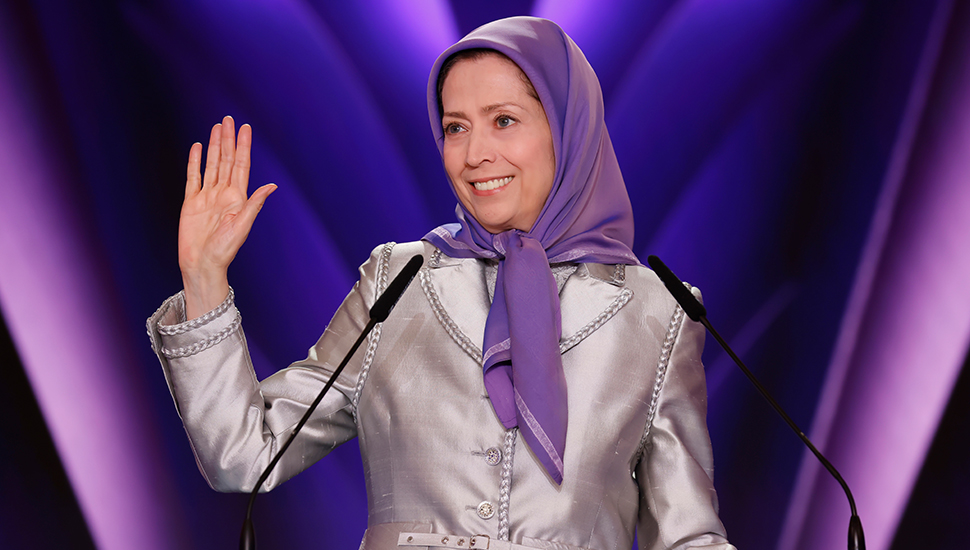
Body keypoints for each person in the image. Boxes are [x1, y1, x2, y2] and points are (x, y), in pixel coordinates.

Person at [147, 16, 735, 550]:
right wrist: (203, 276)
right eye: (456, 127)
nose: (475, 153)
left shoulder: (657, 313)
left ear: (567, 128)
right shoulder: (396, 282)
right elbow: (243, 456)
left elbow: (687, 537)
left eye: (504, 121)